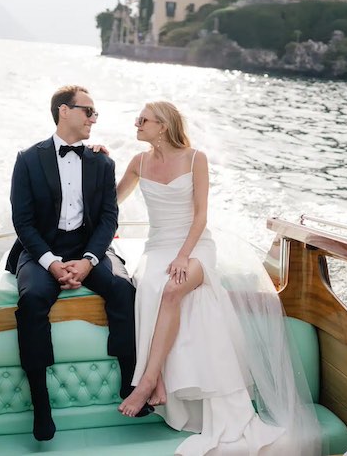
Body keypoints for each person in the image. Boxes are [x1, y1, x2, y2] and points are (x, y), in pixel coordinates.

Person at [114, 101, 324, 455]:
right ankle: (160, 381)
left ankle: (148, 380)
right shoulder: (138, 162)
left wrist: (184, 255)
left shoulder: (196, 159)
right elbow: (112, 201)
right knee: (148, 285)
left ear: (163, 126)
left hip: (195, 247)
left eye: (144, 119)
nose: (137, 123)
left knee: (172, 288)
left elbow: (200, 216)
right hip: (157, 245)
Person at [6, 85, 149, 441]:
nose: (94, 119)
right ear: (64, 111)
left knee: (122, 288)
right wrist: (53, 264)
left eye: (95, 113)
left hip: (90, 248)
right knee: (33, 300)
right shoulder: (27, 159)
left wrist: (88, 260)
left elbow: (108, 219)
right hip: (40, 250)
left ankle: (129, 381)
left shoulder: (102, 161)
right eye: (89, 111)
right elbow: (22, 222)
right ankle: (41, 403)